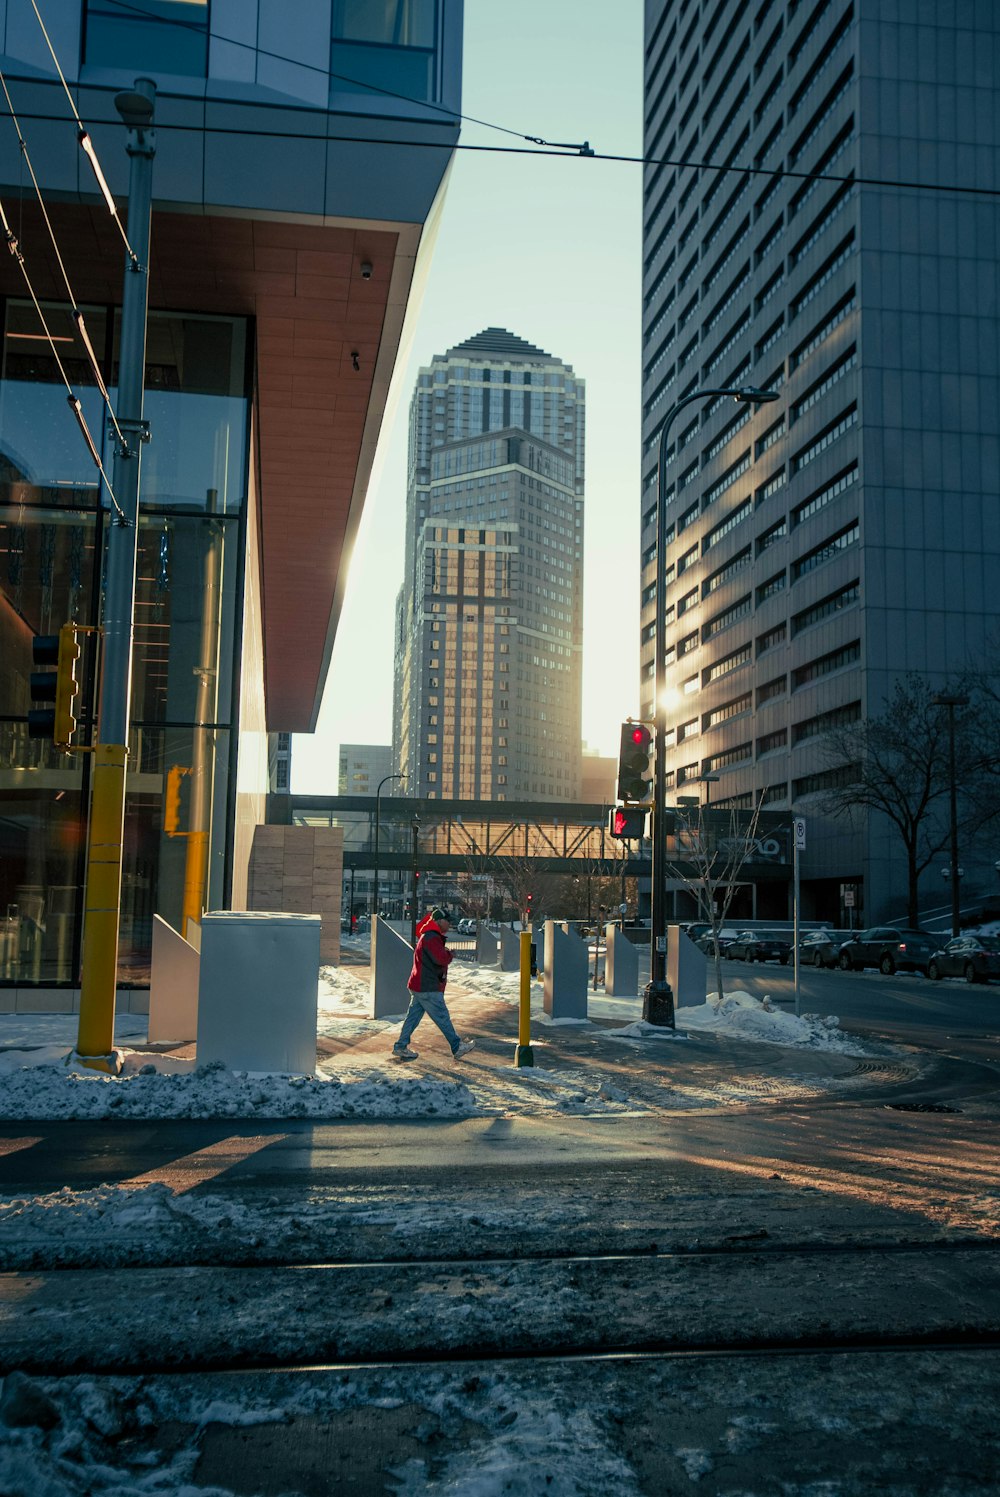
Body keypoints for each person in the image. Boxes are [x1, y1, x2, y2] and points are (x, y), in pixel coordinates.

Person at [391, 907, 475, 1063]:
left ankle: (400, 1046)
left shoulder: (429, 936)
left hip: (420, 984)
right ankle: (457, 1047)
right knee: (442, 1017)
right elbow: (440, 959)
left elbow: (435, 957)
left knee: (413, 1017)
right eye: (447, 921)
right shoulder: (432, 937)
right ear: (438, 921)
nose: (449, 924)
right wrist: (450, 954)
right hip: (428, 986)